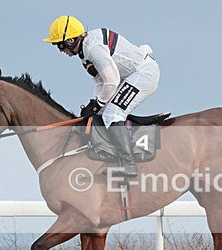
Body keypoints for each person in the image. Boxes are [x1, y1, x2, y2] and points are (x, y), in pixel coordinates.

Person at [43, 15, 160, 176]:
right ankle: (110, 151)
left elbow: (111, 82)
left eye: (60, 46)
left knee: (112, 113)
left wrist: (98, 103)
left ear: (70, 40)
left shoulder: (93, 49)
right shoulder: (84, 51)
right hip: (128, 76)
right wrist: (93, 104)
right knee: (100, 114)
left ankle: (129, 164)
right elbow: (101, 82)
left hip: (143, 74)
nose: (60, 50)